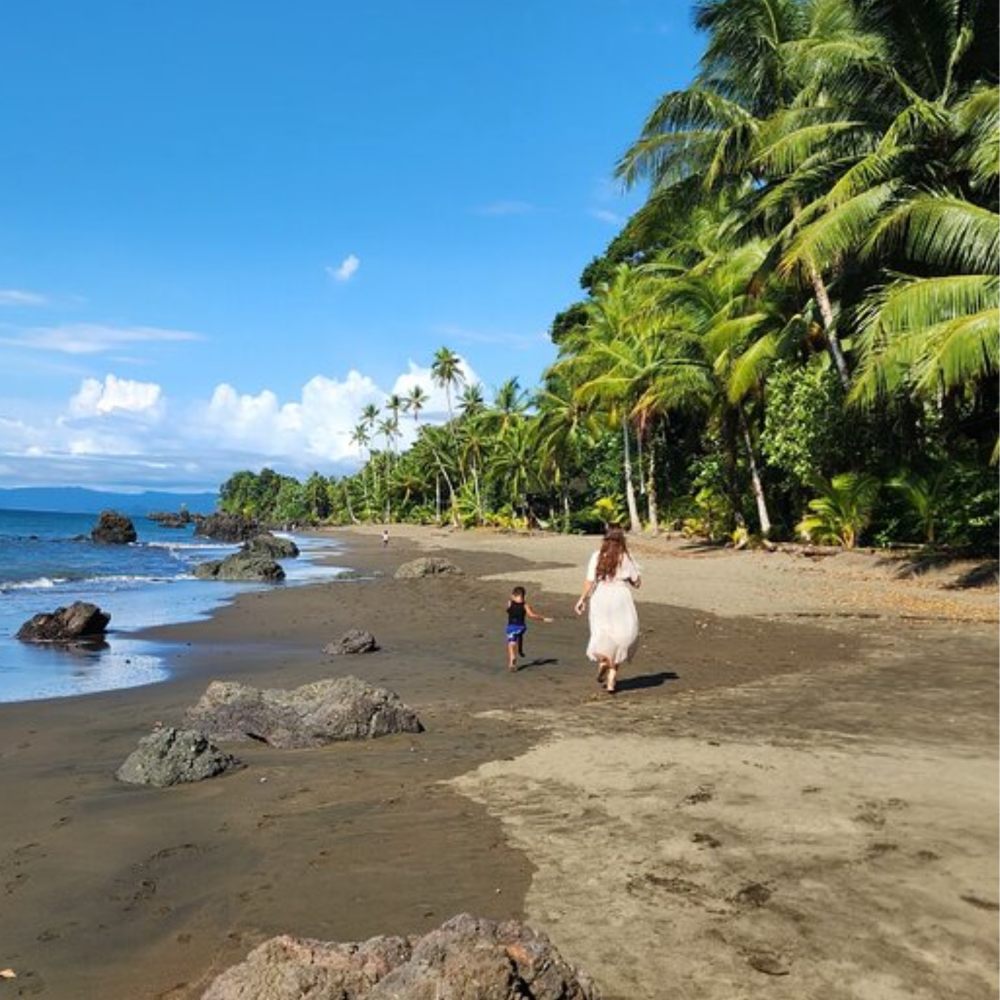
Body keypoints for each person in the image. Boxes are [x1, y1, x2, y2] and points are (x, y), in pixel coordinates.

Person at [574, 526, 641, 693]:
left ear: (605, 539)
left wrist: (582, 599)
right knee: (622, 635)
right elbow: (637, 583)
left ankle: (604, 661)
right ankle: (611, 679)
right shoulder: (625, 557)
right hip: (620, 597)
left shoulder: (597, 556)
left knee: (602, 632)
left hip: (601, 596)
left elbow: (590, 581)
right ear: (622, 541)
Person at [506, 586, 552, 671]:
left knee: (511, 644)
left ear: (513, 595)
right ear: (523, 596)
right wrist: (543, 618)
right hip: (522, 627)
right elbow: (531, 615)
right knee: (519, 636)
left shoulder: (510, 602)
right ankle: (519, 651)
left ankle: (512, 659)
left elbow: (508, 609)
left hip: (511, 627)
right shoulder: (525, 605)